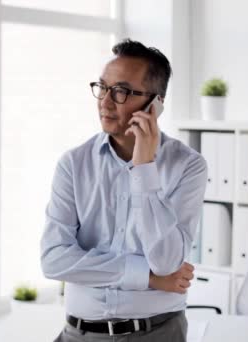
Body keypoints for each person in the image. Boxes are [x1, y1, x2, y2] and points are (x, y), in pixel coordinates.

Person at [40, 39, 208, 342]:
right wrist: (150, 278)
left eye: (121, 91)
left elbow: (168, 261)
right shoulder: (74, 164)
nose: (105, 101)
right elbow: (54, 259)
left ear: (154, 104)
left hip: (156, 333)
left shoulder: (188, 166)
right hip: (78, 333)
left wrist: (144, 168)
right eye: (102, 87)